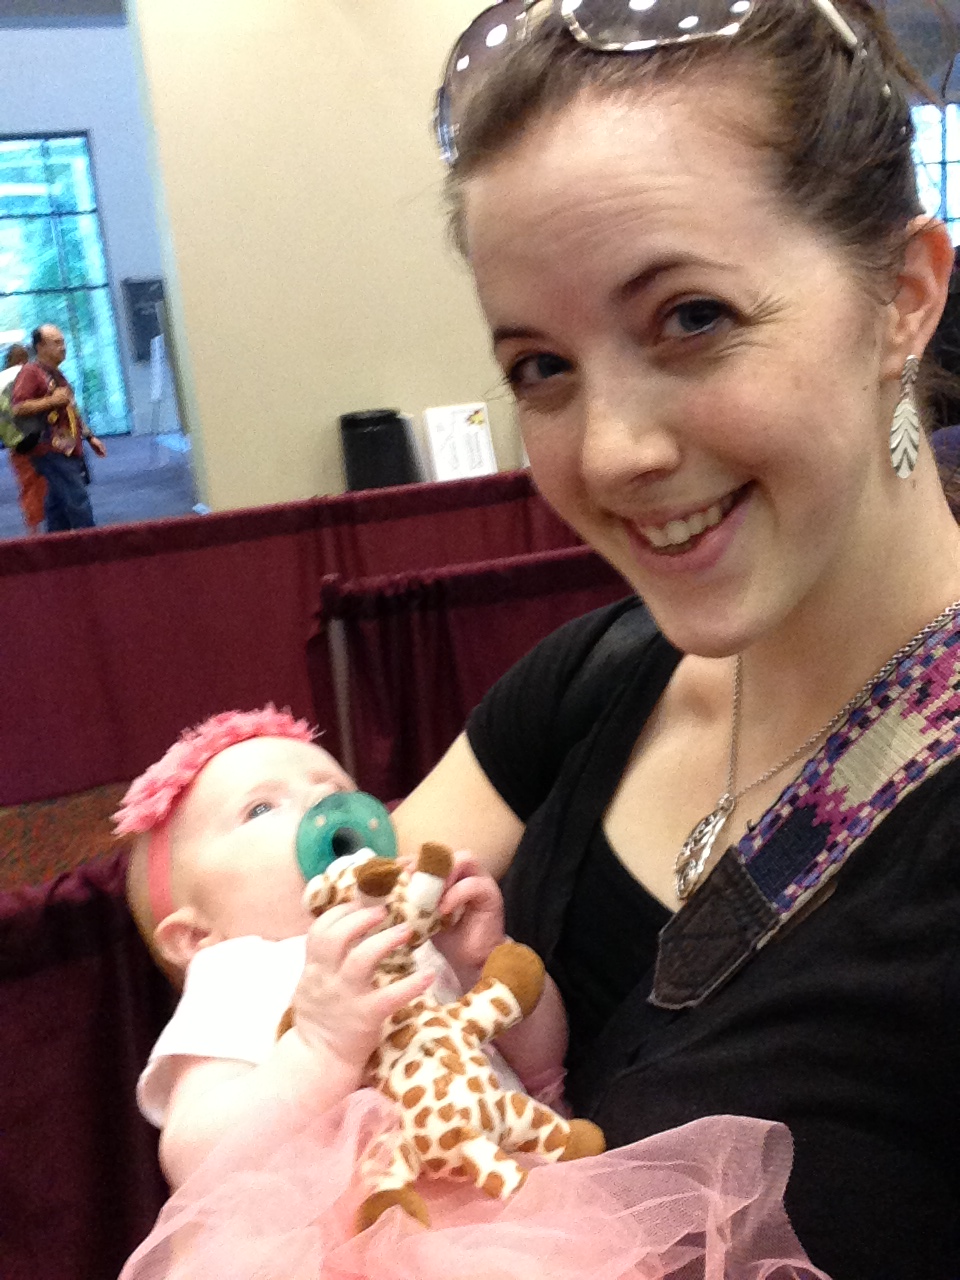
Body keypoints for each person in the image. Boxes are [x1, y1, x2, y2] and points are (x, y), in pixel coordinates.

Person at [384, 3, 960, 1279]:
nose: (610, 452)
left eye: (691, 318)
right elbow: (338, 934)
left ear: (905, 297)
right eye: (542, 367)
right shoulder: (594, 680)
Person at [117, 708, 823, 1279]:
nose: (320, 807)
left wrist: (483, 960)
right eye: (260, 808)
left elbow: (540, 1064)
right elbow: (199, 1155)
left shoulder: (412, 931)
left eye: (333, 787)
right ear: (193, 935)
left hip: (529, 1212)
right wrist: (318, 1047)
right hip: (349, 1240)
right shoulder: (238, 972)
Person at [11, 324, 106, 532]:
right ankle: (92, 544)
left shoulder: (57, 375)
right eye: (56, 343)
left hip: (67, 447)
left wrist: (89, 437)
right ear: (40, 347)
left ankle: (55, 546)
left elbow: (71, 410)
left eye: (62, 342)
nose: (63, 347)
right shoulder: (31, 372)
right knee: (77, 499)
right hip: (50, 448)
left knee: (57, 505)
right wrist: (52, 401)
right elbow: (18, 407)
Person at [0, 343, 46, 535]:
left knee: (28, 486)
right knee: (47, 483)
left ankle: (34, 529)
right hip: (40, 439)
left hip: (16, 445)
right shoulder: (30, 375)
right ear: (23, 359)